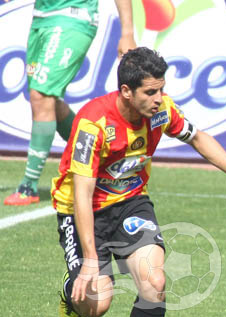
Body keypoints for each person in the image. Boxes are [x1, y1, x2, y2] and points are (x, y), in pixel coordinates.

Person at [52, 47, 226, 317]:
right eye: (150, 92)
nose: (159, 98)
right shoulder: (93, 123)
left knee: (154, 282)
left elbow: (198, 137)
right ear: (126, 92)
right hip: (80, 211)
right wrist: (89, 261)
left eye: (161, 89)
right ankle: (71, 290)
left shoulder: (161, 111)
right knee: (95, 305)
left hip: (131, 203)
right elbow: (82, 195)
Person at [5, 0, 136, 206]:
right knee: (50, 103)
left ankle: (28, 186)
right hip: (41, 19)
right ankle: (104, 161)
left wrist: (127, 32)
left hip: (72, 18)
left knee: (42, 96)